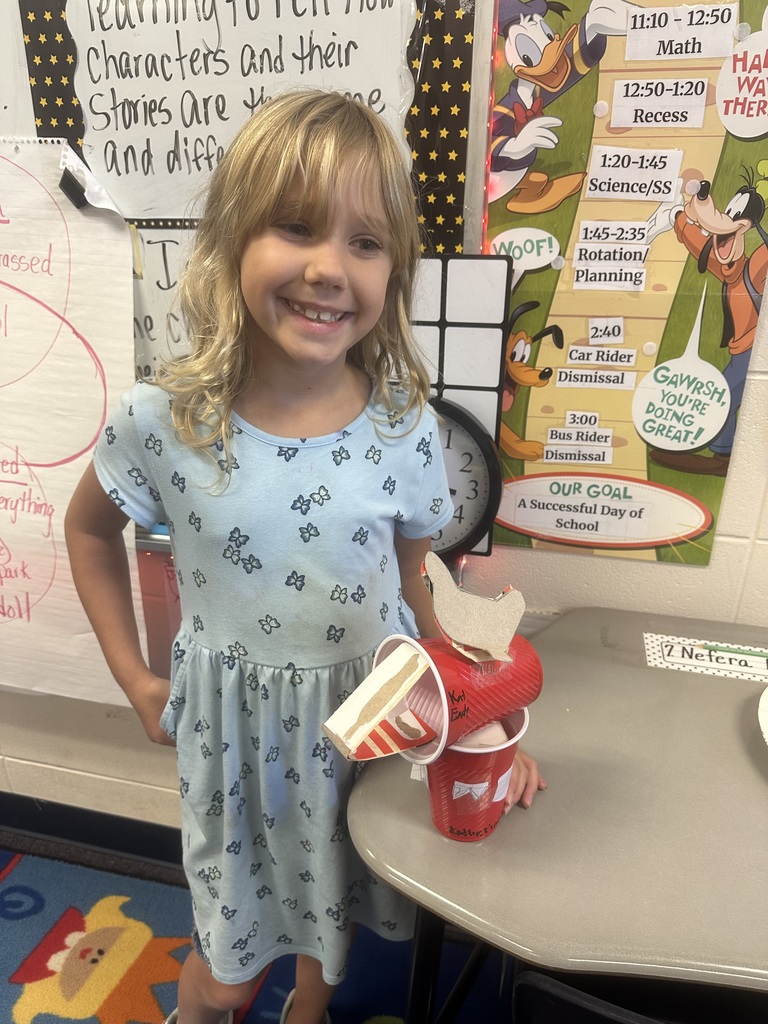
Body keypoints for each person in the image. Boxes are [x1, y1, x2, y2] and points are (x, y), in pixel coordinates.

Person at [65, 89, 545, 1024]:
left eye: (365, 243)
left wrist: (490, 727)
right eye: (296, 227)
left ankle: (310, 1008)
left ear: (394, 270)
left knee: (345, 913)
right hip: (237, 737)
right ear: (234, 237)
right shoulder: (163, 421)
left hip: (372, 713)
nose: (330, 268)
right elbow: (89, 530)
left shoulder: (405, 423)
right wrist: (132, 675)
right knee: (233, 964)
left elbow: (423, 590)